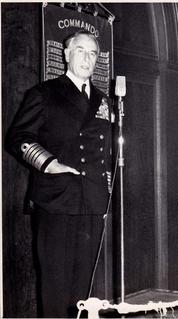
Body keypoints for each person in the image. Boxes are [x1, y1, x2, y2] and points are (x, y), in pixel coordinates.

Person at [5, 30, 112, 317]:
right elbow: (17, 137)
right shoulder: (44, 93)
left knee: (84, 287)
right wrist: (49, 163)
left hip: (92, 202)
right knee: (55, 285)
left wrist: (107, 195)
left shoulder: (104, 101)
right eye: (81, 51)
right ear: (66, 54)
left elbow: (110, 154)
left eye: (93, 53)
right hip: (56, 199)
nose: (87, 58)